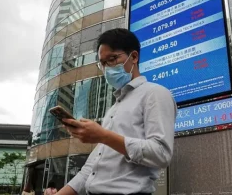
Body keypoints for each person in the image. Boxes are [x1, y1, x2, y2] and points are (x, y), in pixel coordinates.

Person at [58, 28, 176, 195]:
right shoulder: (114, 108)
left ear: (134, 57)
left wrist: (103, 136)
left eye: (112, 59)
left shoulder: (155, 93)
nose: (107, 68)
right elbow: (90, 169)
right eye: (103, 63)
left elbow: (161, 154)